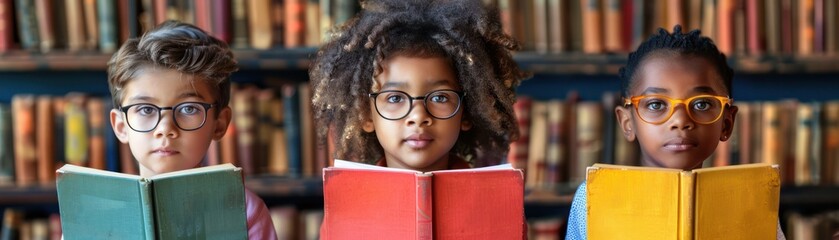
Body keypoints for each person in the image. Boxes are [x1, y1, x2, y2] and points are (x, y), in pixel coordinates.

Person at [565, 25, 786, 240]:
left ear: (727, 123)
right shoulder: (594, 198)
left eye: (701, 104)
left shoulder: (753, 199)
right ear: (627, 123)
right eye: (656, 105)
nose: (680, 121)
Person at [309, 0, 527, 171]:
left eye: (440, 97)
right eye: (395, 98)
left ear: (467, 111)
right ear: (366, 114)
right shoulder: (349, 207)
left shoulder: (494, 200)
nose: (418, 116)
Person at [107, 20, 277, 239]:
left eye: (188, 108)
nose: (165, 129)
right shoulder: (93, 215)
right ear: (121, 126)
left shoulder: (244, 213)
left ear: (220, 123)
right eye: (146, 109)